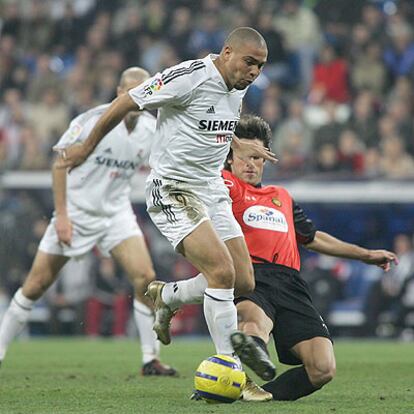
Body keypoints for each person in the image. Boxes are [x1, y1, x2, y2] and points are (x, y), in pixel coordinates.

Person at [54, 27, 278, 382]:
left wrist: (236, 145)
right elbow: (127, 100)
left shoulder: (239, 84)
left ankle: (167, 296)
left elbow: (214, 119)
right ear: (227, 52)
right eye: (249, 62)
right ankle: (230, 368)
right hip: (173, 188)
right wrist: (86, 147)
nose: (254, 72)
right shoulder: (187, 78)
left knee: (244, 281)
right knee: (221, 272)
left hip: (211, 188)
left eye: (261, 66)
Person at [0, 67, 177, 376]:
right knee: (35, 285)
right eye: (131, 91)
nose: (137, 98)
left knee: (145, 278)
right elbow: (59, 166)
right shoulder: (90, 121)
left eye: (144, 91)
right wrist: (63, 216)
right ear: (120, 92)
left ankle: (150, 359)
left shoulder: (152, 129)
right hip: (77, 211)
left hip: (116, 213)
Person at [223, 114, 398, 401]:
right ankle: (250, 352)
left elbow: (313, 238)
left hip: (291, 283)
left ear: (267, 161)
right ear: (230, 158)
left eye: (259, 157)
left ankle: (259, 394)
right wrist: (231, 137)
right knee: (253, 323)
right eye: (246, 156)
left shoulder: (281, 196)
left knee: (323, 368)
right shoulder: (224, 186)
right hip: (252, 276)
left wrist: (365, 255)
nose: (251, 163)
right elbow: (207, 149)